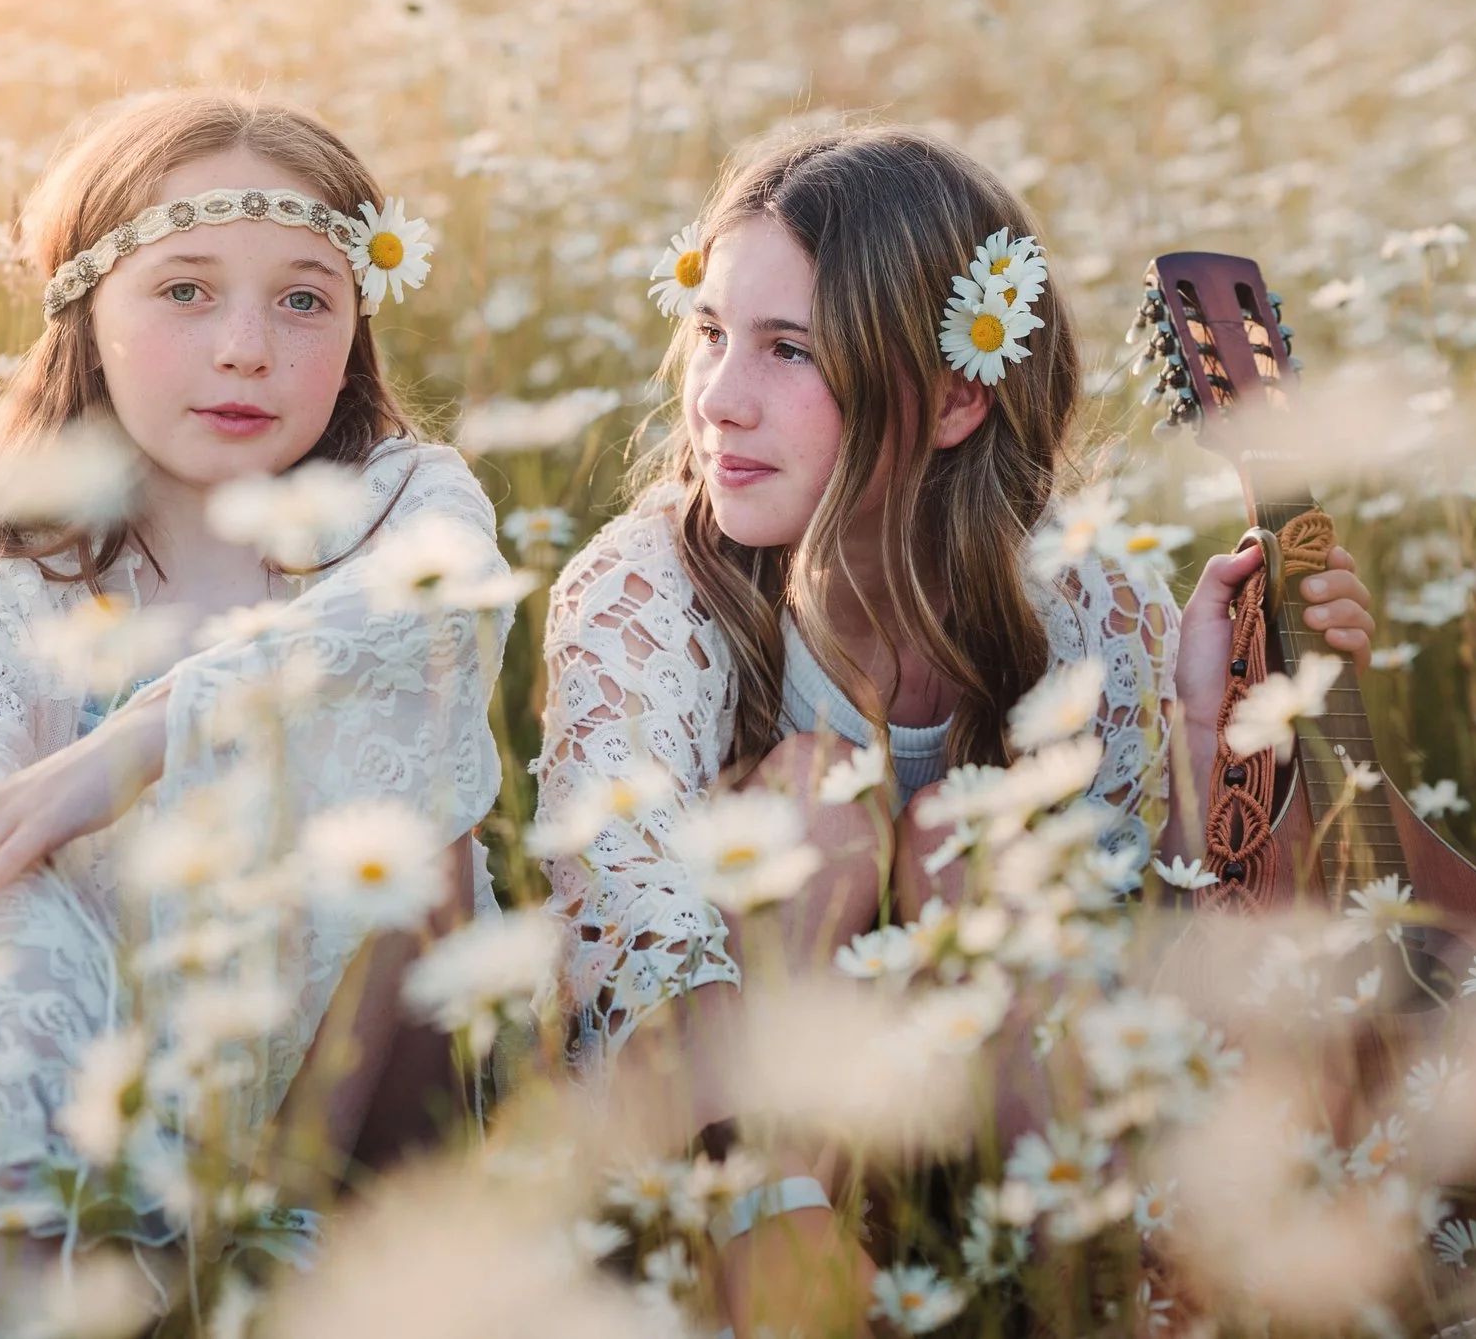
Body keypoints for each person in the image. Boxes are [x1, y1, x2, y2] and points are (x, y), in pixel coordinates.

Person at [536, 125, 1376, 1334]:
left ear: (955, 397)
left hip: (990, 1124)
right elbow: (626, 925)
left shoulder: (1081, 600)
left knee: (969, 845)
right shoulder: (650, 589)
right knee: (816, 798)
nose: (718, 396)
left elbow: (1182, 950)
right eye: (712, 332)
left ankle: (1098, 1281)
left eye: (787, 350)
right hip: (721, 1124)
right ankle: (780, 1271)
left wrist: (1211, 726)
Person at [0, 91, 514, 1337]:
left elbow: (430, 604)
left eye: (305, 298)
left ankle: (304, 1265)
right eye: (185, 290)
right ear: (85, 314)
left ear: (356, 322)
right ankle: (32, 1291)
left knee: (425, 839)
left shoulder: (398, 501)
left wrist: (138, 739)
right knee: (10, 903)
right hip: (87, 1066)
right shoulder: (2, 566)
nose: (246, 348)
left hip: (349, 1077)